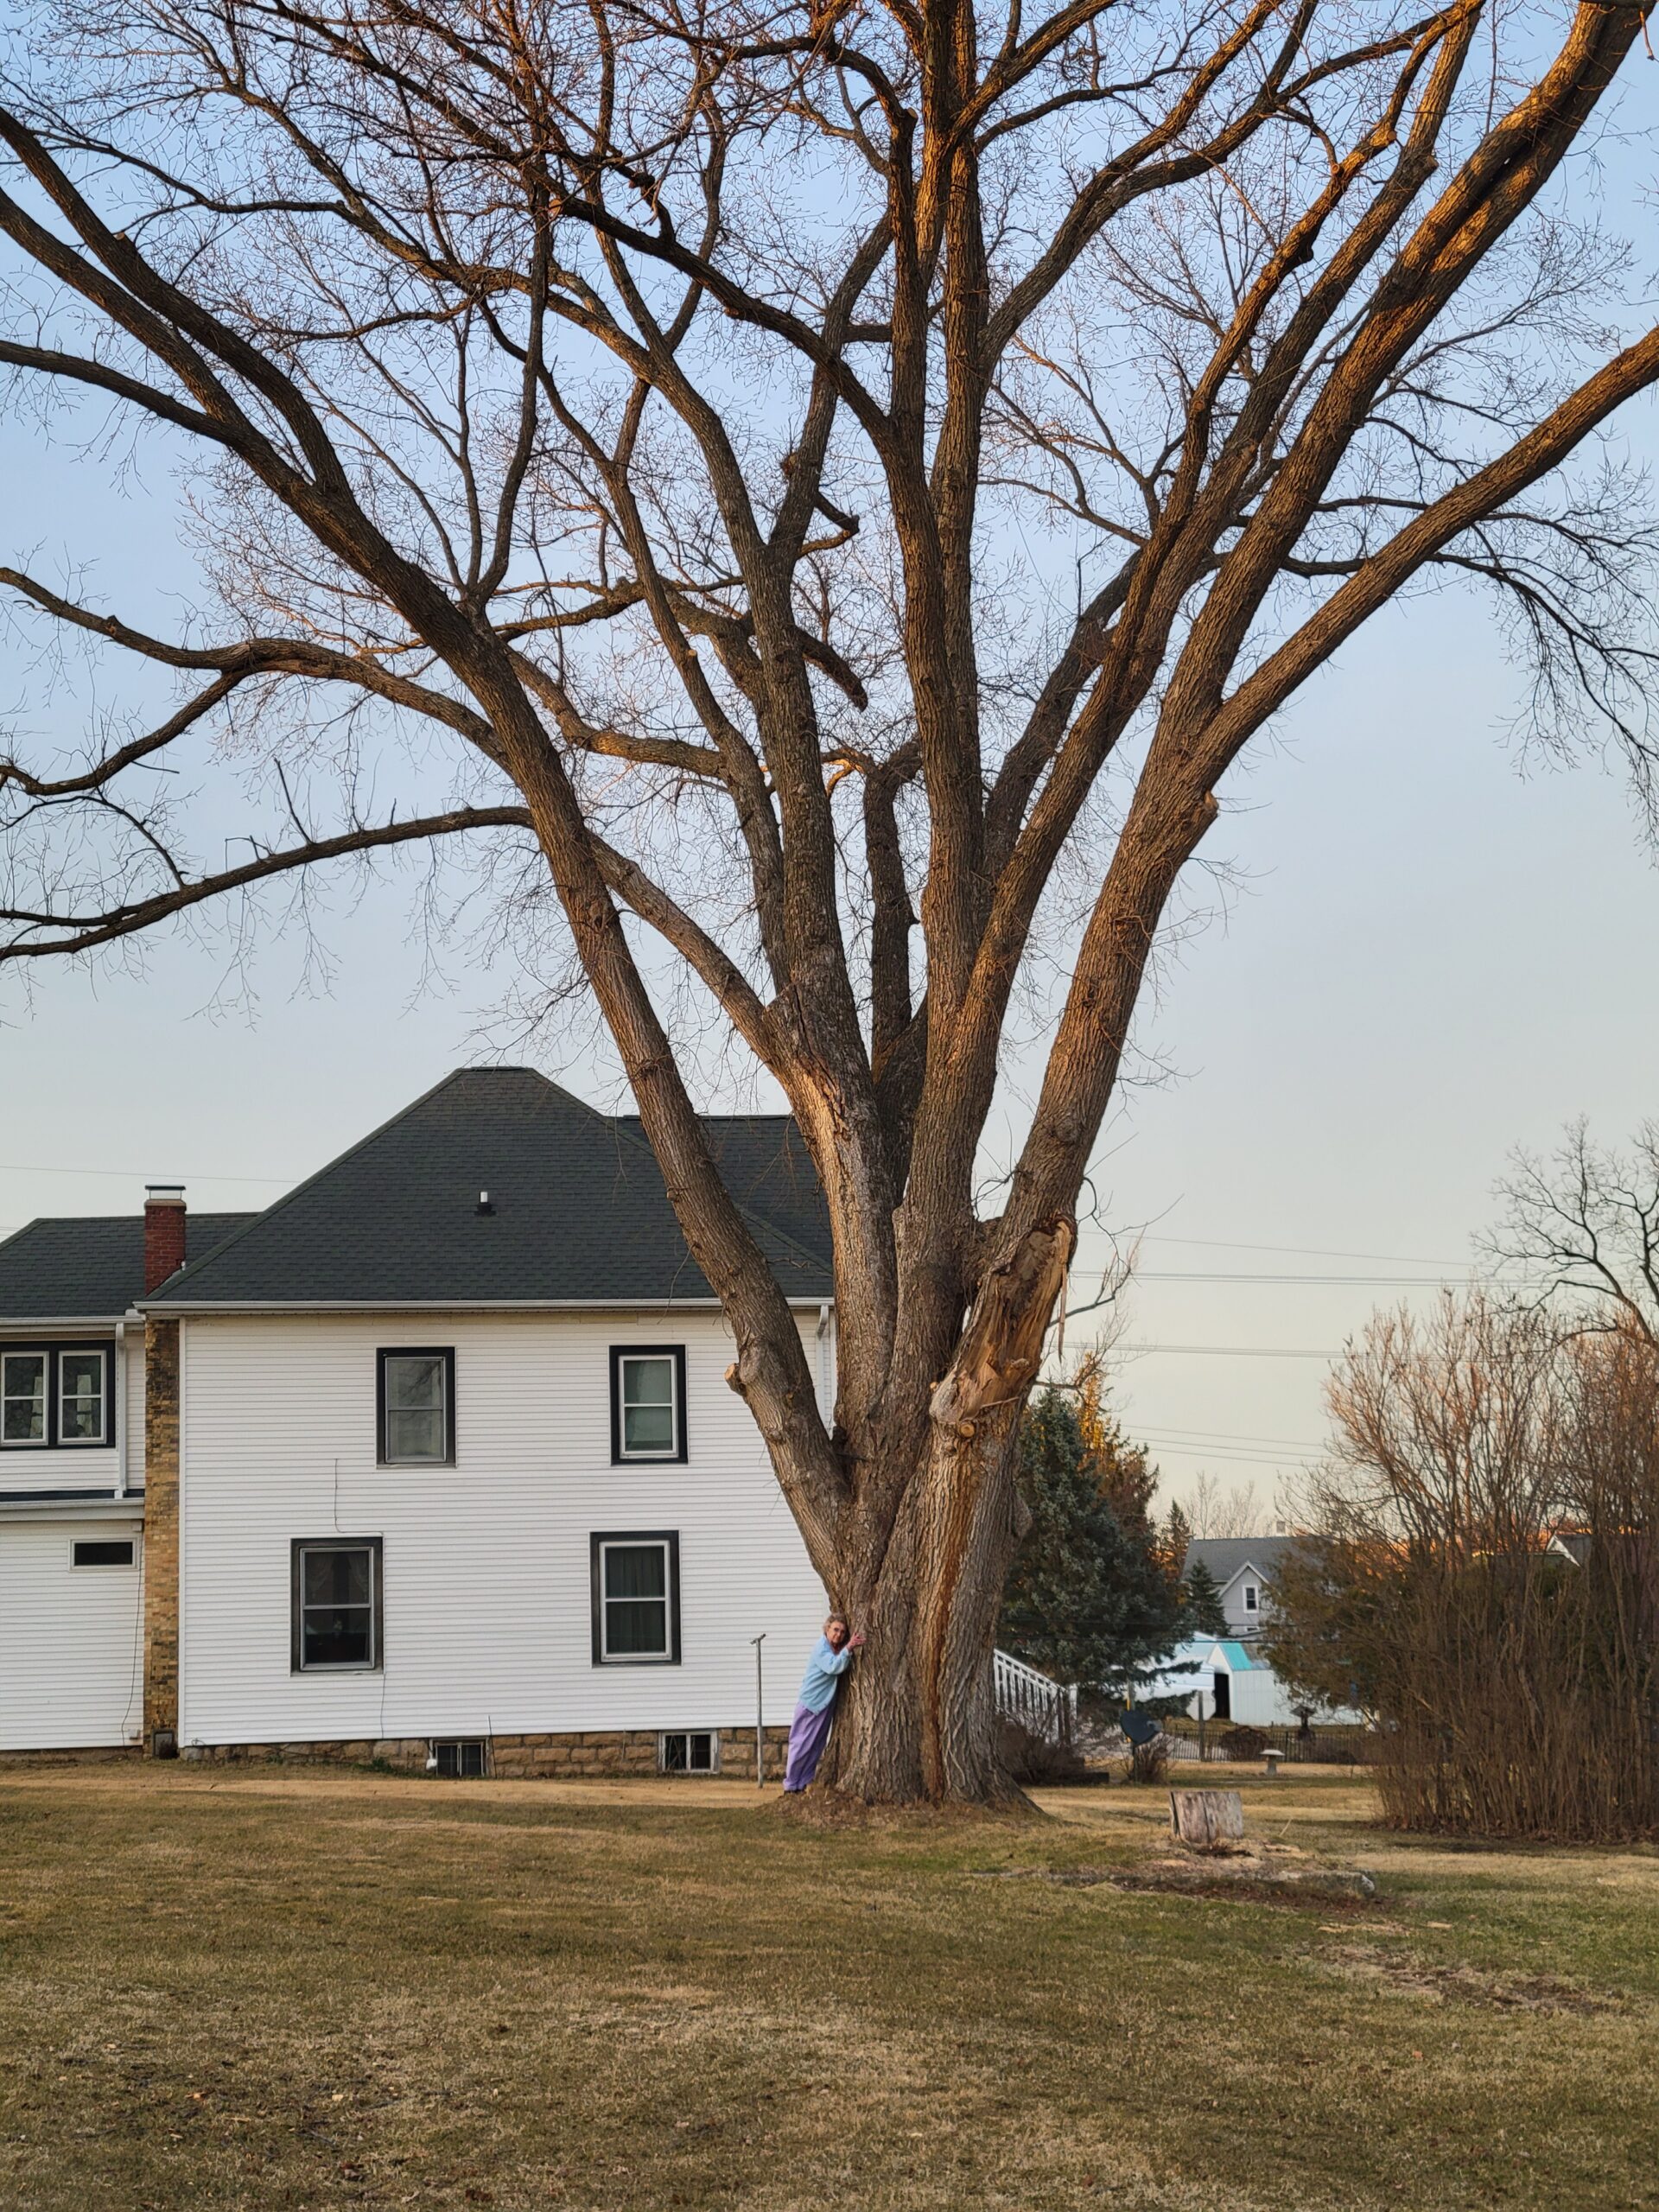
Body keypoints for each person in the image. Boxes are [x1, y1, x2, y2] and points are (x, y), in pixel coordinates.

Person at [782, 1615, 864, 1792]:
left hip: (824, 1706)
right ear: (827, 1629)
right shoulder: (821, 1648)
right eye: (835, 1630)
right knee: (801, 1745)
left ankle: (803, 1783)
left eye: (842, 1632)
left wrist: (845, 1649)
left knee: (816, 1746)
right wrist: (849, 1647)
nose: (838, 1634)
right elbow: (833, 1667)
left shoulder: (835, 1648)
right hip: (811, 1704)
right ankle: (790, 1785)